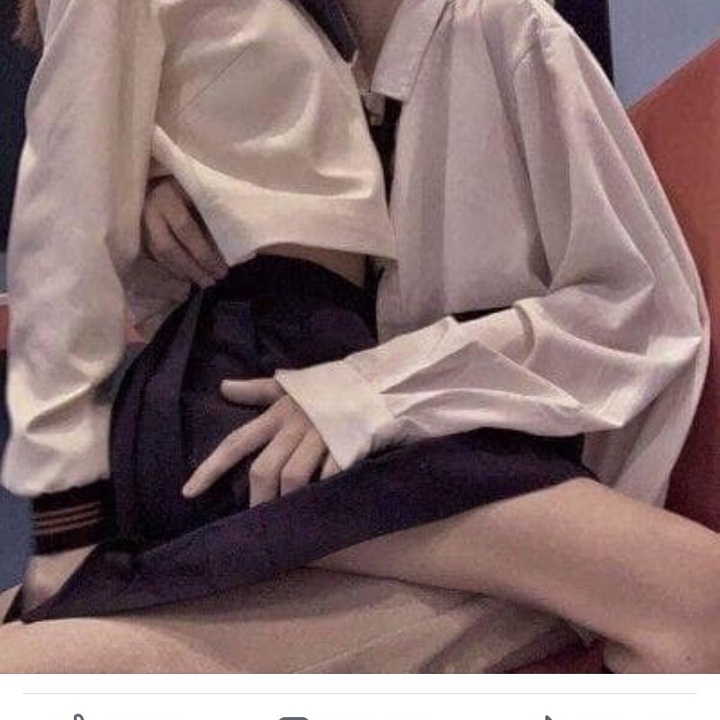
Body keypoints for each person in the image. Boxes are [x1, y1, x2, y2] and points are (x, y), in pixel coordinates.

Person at [0, 0, 718, 673]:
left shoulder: (497, 28)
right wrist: (151, 178)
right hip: (251, 397)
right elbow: (76, 233)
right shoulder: (297, 45)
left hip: (324, 407)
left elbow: (636, 307)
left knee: (634, 600)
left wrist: (374, 390)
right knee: (667, 597)